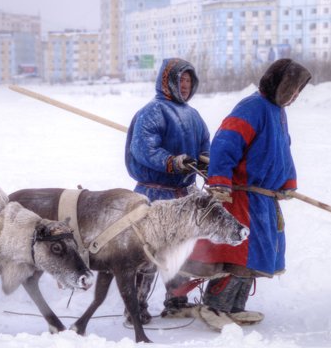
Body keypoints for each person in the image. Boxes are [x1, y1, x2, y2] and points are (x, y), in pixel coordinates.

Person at [186, 58, 312, 323]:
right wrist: (219, 180)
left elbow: (283, 152)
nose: (295, 96)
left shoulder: (278, 112)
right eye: (292, 90)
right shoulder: (252, 107)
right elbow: (225, 142)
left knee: (258, 255)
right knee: (239, 253)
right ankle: (214, 306)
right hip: (241, 196)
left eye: (298, 91)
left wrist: (287, 183)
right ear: (277, 85)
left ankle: (233, 308)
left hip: (263, 199)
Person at [124, 57, 211, 317]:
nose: (184, 86)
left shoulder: (193, 115)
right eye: (180, 80)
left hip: (184, 195)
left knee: (181, 250)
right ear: (168, 81)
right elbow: (143, 149)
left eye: (188, 80)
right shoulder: (153, 111)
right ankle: (136, 307)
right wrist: (171, 162)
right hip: (155, 194)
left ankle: (176, 301)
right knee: (149, 253)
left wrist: (205, 160)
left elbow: (205, 143)